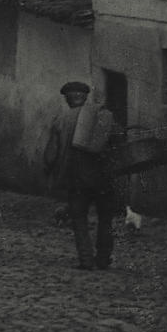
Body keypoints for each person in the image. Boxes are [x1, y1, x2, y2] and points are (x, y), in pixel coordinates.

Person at [44, 81, 123, 270]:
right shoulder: (103, 116)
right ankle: (103, 259)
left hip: (76, 178)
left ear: (67, 99)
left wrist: (49, 170)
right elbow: (120, 141)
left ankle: (86, 260)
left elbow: (50, 156)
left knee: (79, 218)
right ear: (85, 97)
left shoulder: (61, 120)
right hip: (103, 177)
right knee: (105, 218)